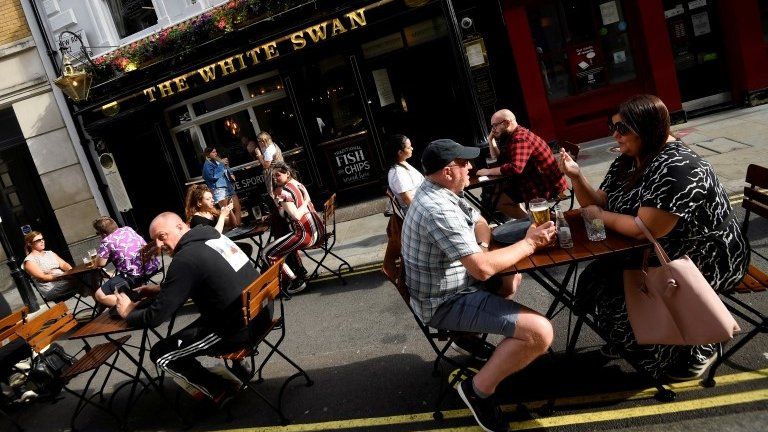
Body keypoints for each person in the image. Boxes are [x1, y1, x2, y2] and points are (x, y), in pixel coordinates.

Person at [557, 94, 749, 381]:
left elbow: (643, 228)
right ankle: (646, 341)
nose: (615, 135)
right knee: (596, 278)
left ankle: (695, 348)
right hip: (664, 250)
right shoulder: (630, 159)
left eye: (623, 129)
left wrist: (598, 215)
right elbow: (599, 200)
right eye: (613, 126)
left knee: (617, 293)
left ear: (647, 128)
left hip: (705, 258)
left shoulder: (678, 167)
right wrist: (576, 176)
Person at [402, 139, 556, 432]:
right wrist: (530, 243)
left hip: (455, 285)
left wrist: (483, 245)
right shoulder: (437, 208)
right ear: (449, 171)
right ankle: (477, 390)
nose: (471, 166)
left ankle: (478, 340)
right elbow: (483, 270)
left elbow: (479, 219)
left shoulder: (441, 190)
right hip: (445, 301)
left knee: (511, 276)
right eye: (465, 163)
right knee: (540, 332)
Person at [115, 212, 270, 405]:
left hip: (236, 330)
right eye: (155, 241)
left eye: (162, 237)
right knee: (181, 340)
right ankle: (233, 375)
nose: (159, 245)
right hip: (261, 313)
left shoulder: (185, 259)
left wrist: (128, 312)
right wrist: (160, 289)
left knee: (161, 354)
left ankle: (223, 390)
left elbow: (155, 317)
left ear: (180, 227)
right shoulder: (213, 236)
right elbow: (206, 274)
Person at [476, 109, 567, 219]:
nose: (493, 130)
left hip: (545, 186)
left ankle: (534, 221)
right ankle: (532, 220)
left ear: (506, 123)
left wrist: (488, 171)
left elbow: (515, 168)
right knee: (496, 193)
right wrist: (491, 140)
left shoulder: (520, 139)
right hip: (535, 180)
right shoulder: (516, 135)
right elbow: (500, 160)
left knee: (499, 199)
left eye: (495, 125)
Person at [262, 162, 324, 295]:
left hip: (305, 235)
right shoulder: (298, 184)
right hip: (318, 231)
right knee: (280, 247)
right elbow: (286, 213)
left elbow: (295, 216)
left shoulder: (284, 192)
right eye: (273, 177)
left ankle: (295, 281)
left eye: (277, 175)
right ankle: (299, 272)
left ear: (287, 174)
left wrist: (304, 203)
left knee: (266, 254)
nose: (275, 179)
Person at [92, 216, 160, 308]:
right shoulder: (128, 229)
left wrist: (95, 260)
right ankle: (131, 297)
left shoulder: (107, 241)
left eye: (97, 233)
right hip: (152, 267)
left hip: (135, 276)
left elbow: (100, 264)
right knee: (116, 280)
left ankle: (133, 306)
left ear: (103, 233)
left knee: (99, 295)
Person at [22, 231, 97, 300]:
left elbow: (64, 264)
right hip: (52, 288)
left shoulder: (49, 253)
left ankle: (99, 299)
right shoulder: (29, 261)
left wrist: (71, 272)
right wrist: (63, 276)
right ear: (30, 244)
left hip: (66, 279)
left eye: (42, 239)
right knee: (89, 276)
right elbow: (43, 277)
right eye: (38, 240)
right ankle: (100, 299)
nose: (42, 241)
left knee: (90, 274)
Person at [184, 184, 253, 257]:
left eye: (212, 198)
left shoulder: (212, 213)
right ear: (199, 203)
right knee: (244, 250)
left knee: (246, 248)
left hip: (221, 246)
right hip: (212, 252)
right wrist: (222, 215)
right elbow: (214, 235)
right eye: (208, 199)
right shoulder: (196, 219)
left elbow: (233, 224)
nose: (212, 200)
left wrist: (229, 210)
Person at [202, 147, 242, 227]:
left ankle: (238, 225)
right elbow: (213, 177)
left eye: (215, 151)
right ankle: (234, 228)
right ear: (208, 154)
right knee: (227, 212)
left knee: (237, 207)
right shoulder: (207, 165)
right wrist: (221, 164)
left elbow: (226, 167)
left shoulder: (218, 160)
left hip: (228, 186)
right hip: (219, 189)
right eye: (213, 152)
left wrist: (231, 173)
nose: (215, 153)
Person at [386, 134, 424, 214]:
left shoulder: (402, 163)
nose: (412, 148)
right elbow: (408, 200)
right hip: (418, 211)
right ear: (400, 152)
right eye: (409, 147)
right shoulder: (398, 174)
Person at [250, 131, 284, 199]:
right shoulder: (273, 145)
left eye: (259, 141)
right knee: (282, 192)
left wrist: (259, 155)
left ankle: (281, 207)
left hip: (274, 174)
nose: (259, 143)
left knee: (276, 195)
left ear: (263, 141)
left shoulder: (268, 150)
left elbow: (266, 165)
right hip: (281, 171)